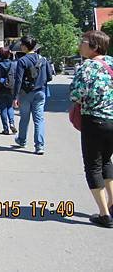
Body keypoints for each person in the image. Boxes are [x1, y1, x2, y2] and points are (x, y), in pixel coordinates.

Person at [69, 30, 113, 228]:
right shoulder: (111, 62)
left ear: (94, 46)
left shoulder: (87, 67)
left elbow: (76, 94)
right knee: (106, 161)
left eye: (83, 41)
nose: (80, 44)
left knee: (93, 165)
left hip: (94, 121)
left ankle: (104, 214)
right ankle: (111, 204)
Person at [12, 35, 53, 155]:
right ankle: (39, 146)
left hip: (25, 93)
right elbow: (49, 76)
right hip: (40, 92)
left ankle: (22, 140)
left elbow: (18, 80)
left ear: (24, 47)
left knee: (24, 118)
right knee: (39, 119)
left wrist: (15, 97)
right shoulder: (43, 59)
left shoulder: (22, 61)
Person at [0, 48, 17, 135]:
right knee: (10, 107)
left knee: (3, 108)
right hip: (11, 88)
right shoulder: (14, 65)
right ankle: (12, 123)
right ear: (9, 55)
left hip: (1, 88)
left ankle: (5, 129)